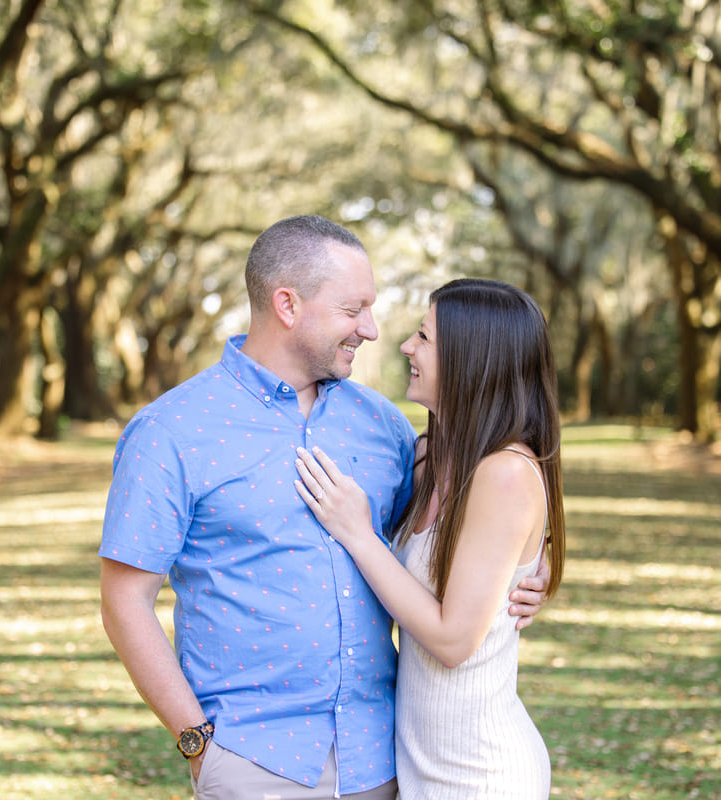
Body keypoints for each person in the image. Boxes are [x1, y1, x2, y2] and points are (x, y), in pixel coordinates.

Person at [98, 217, 548, 800]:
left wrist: (537, 572)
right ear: (287, 304)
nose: (372, 329)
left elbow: (457, 535)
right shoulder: (171, 430)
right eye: (352, 309)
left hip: (387, 762)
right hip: (254, 762)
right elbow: (124, 600)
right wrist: (197, 742)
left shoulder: (386, 428)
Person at [293, 277, 566, 798]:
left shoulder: (505, 472)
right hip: (418, 768)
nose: (405, 347)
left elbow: (452, 641)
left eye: (424, 337)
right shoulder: (429, 456)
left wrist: (357, 532)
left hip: (481, 774)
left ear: (472, 360)